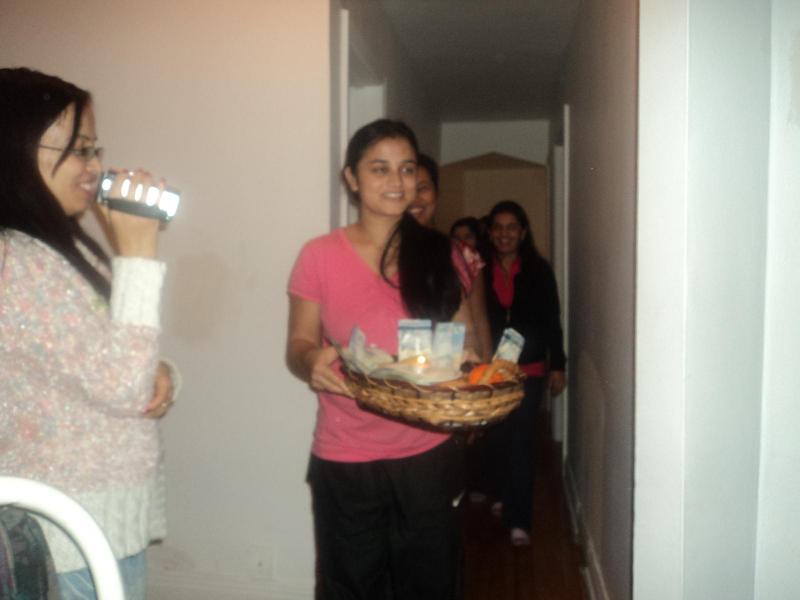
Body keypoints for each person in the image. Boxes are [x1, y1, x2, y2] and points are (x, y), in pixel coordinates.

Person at [0, 67, 177, 599]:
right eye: (79, 150)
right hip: (66, 531)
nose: (96, 166)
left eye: (95, 149)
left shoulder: (65, 248)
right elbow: (121, 383)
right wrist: (138, 252)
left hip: (104, 518)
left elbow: (116, 356)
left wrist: (164, 374)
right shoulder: (13, 260)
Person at [287, 119, 476, 599]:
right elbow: (298, 345)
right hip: (346, 455)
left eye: (407, 169)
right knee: (350, 588)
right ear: (351, 178)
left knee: (431, 587)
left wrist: (469, 364)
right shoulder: (318, 256)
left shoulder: (442, 253)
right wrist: (310, 362)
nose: (397, 181)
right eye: (379, 168)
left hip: (428, 451)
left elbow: (463, 342)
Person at [482, 200, 566, 547]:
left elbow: (551, 319)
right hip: (491, 372)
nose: (505, 234)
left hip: (528, 370)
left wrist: (557, 364)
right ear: (490, 232)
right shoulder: (479, 269)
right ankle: (506, 494)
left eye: (511, 227)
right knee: (499, 437)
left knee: (522, 441)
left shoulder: (538, 270)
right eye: (498, 227)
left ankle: (520, 520)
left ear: (523, 232)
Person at [409, 153, 493, 362]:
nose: (415, 198)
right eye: (408, 190)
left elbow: (479, 319)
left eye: (423, 188)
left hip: (453, 370)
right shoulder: (383, 252)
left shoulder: (464, 254)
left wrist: (486, 371)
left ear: (436, 194)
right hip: (398, 372)